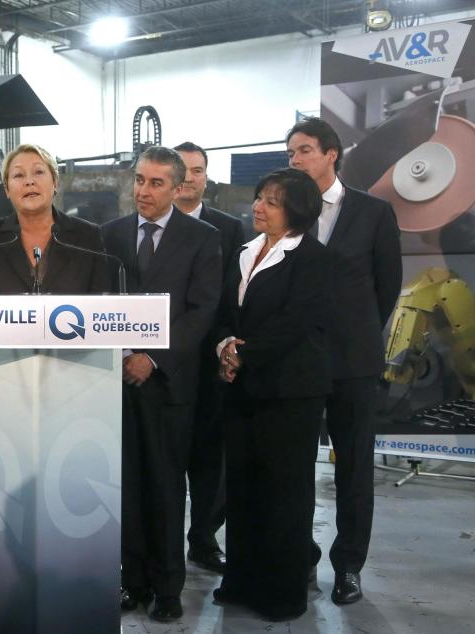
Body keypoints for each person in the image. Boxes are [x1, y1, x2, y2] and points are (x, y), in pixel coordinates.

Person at [101, 146, 222, 622]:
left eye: (155, 183)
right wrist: (127, 354)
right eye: (139, 180)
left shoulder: (202, 238)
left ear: (177, 188)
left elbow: (202, 310)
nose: (143, 191)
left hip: (170, 387)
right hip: (116, 383)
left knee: (167, 489)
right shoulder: (107, 236)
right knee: (123, 485)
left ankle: (168, 588)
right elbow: (99, 303)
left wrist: (153, 357)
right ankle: (131, 581)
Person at [286, 117, 402, 604]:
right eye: (290, 152)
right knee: (294, 468)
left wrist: (353, 336)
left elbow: (387, 286)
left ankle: (349, 566)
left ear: (332, 154)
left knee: (354, 468)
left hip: (354, 362)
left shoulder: (373, 213)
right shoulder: (287, 214)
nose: (295, 159)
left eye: (305, 150)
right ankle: (302, 560)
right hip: (297, 362)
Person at [213, 167, 332, 621]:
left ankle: (282, 594)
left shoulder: (313, 258)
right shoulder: (243, 251)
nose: (258, 206)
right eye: (260, 197)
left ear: (296, 211)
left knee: (285, 492)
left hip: (290, 392)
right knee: (242, 489)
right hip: (242, 387)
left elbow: (297, 322)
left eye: (271, 201)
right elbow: (226, 310)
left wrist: (247, 354)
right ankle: (241, 582)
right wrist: (226, 345)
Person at [172, 142, 245, 574]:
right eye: (182, 171)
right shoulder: (138, 228)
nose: (189, 178)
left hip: (207, 361)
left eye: (197, 171)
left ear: (206, 177)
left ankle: (202, 538)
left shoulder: (228, 229)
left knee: (209, 458)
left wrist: (227, 345)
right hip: (157, 362)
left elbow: (231, 298)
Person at [0, 143, 108, 294]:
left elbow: (103, 307)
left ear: (55, 182)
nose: (29, 181)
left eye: (38, 172)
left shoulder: (88, 237)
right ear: (6, 189)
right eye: (18, 175)